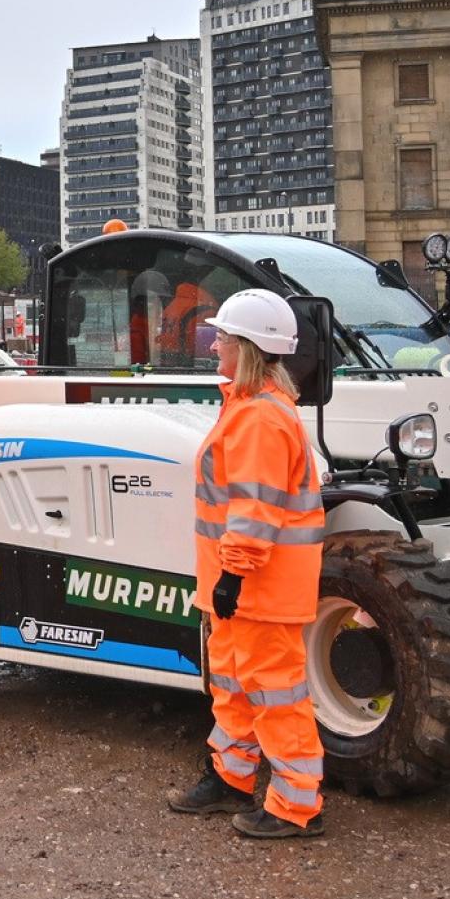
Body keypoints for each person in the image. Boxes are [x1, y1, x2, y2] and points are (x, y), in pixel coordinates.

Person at [168, 288, 327, 839]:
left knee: (274, 693)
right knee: (234, 687)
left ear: (250, 348)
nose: (214, 345)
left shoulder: (260, 418)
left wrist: (234, 574)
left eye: (224, 337)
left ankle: (295, 805)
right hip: (242, 585)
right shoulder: (248, 406)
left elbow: (254, 511)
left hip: (259, 585)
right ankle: (231, 778)